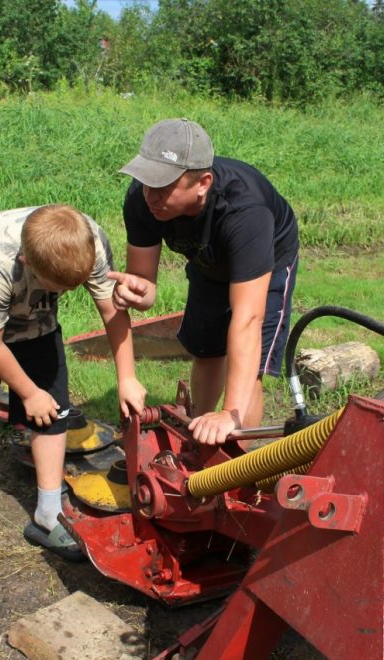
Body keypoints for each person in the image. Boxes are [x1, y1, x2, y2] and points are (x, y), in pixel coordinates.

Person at [0, 204, 146, 566]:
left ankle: (48, 513)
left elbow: (111, 310)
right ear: (29, 263)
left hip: (37, 321)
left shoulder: (86, 242)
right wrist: (28, 393)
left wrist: (127, 377)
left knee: (53, 409)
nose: (69, 293)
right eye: (60, 288)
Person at [110, 118, 299, 445]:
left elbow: (248, 318)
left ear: (203, 182)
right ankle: (198, 433)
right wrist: (137, 293)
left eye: (163, 186)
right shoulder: (142, 201)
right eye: (146, 182)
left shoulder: (244, 211)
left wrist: (230, 413)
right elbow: (145, 286)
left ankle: (237, 462)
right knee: (206, 349)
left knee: (248, 373)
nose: (150, 195)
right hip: (208, 261)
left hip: (266, 258)